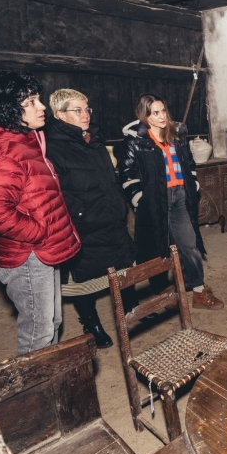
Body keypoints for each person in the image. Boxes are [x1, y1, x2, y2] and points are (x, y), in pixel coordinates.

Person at [0, 71, 80, 355]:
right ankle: (33, 395)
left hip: (41, 251)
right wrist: (39, 232)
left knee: (52, 323)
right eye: (31, 101)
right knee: (38, 333)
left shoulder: (27, 141)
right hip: (28, 256)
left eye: (38, 99)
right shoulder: (9, 150)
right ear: (9, 110)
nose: (41, 106)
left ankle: (51, 388)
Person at [44, 88, 136, 348]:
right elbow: (56, 191)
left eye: (87, 109)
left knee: (120, 265)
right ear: (60, 115)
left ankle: (129, 310)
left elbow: (110, 177)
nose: (85, 115)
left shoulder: (93, 139)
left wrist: (119, 203)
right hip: (83, 224)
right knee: (83, 279)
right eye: (78, 110)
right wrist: (81, 213)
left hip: (110, 216)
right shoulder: (52, 147)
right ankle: (91, 323)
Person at [120, 94, 223, 309]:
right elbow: (127, 173)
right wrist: (140, 199)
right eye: (155, 113)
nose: (161, 116)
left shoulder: (176, 136)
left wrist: (193, 183)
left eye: (163, 111)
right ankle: (163, 289)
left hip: (180, 197)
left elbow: (189, 162)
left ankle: (197, 290)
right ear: (145, 116)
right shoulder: (136, 141)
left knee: (190, 244)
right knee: (157, 246)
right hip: (155, 199)